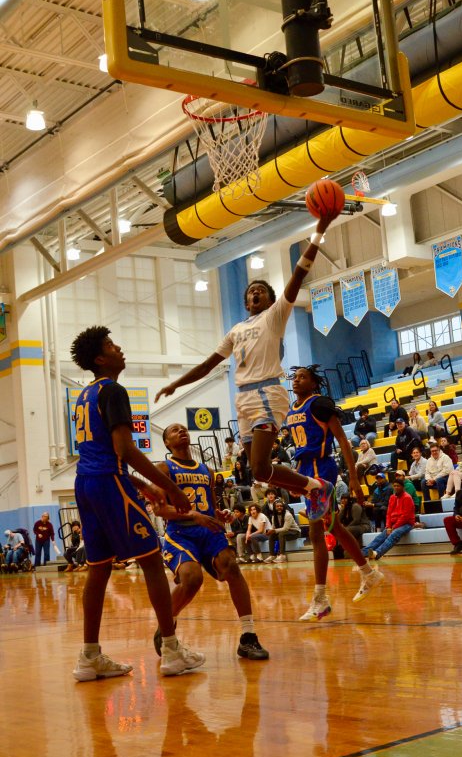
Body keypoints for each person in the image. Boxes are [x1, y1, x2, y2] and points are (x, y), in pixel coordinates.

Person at [155, 215, 338, 526]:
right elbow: (207, 365)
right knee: (259, 472)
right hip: (242, 399)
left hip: (267, 391)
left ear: (268, 299)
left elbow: (297, 276)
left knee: (260, 464)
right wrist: (176, 384)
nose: (255, 294)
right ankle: (313, 489)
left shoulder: (274, 317)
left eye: (261, 291)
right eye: (251, 292)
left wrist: (318, 233)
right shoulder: (236, 330)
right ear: (245, 302)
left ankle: (316, 487)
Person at [69, 325, 205, 681]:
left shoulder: (84, 395)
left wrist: (144, 485)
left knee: (98, 569)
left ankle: (88, 657)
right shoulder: (113, 390)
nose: (120, 349)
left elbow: (99, 454)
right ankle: (172, 650)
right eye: (113, 345)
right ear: (101, 358)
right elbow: (124, 450)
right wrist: (170, 488)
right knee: (150, 561)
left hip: (86, 484)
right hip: (110, 483)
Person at [154, 423, 268, 660]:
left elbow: (211, 507)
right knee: (192, 578)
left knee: (232, 567)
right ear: (166, 443)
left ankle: (248, 636)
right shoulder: (164, 468)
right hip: (180, 532)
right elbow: (160, 509)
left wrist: (220, 514)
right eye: (174, 430)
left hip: (208, 530)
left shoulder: (206, 469)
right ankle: (167, 623)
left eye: (183, 428)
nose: (181, 431)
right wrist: (193, 515)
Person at [287, 365, 383, 620]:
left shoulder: (319, 404)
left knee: (318, 533)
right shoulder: (291, 410)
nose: (297, 380)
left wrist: (354, 478)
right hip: (306, 470)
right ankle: (367, 572)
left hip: (322, 469)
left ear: (314, 383)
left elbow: (342, 440)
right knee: (334, 528)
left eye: (302, 377)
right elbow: (300, 447)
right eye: (295, 377)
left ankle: (320, 599)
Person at [362, 480, 414, 561]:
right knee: (380, 537)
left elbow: (405, 516)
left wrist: (394, 527)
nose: (396, 488)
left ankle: (376, 553)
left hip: (406, 523)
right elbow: (389, 514)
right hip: (393, 524)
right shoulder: (392, 497)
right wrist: (388, 526)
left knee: (394, 534)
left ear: (403, 487)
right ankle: (363, 553)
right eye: (395, 486)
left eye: (398, 486)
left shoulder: (407, 498)